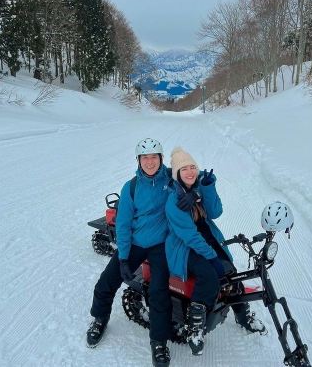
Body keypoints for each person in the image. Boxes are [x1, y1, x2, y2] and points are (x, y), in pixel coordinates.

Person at [164, 147, 266, 356]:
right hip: (184, 247)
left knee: (232, 274)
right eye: (184, 169)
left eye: (193, 167)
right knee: (209, 275)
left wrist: (207, 188)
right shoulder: (173, 201)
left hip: (208, 239)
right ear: (177, 174)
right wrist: (212, 257)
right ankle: (195, 327)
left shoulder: (196, 192)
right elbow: (190, 236)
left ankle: (242, 315)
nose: (190, 172)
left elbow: (216, 212)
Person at [86, 138, 173, 367]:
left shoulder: (171, 181)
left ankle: (159, 342)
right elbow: (123, 224)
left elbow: (191, 176)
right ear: (139, 160)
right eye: (145, 157)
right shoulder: (131, 187)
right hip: (135, 243)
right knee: (107, 280)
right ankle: (100, 317)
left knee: (159, 291)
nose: (150, 161)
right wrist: (124, 257)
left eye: (154, 157)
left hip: (161, 246)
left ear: (161, 159)